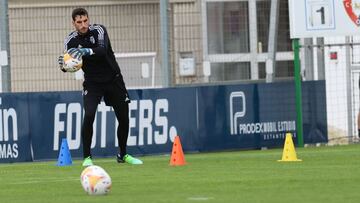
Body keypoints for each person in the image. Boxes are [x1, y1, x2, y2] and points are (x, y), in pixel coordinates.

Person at [58, 8, 143, 166]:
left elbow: (102, 51)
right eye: (79, 22)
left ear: (88, 19)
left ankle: (123, 155)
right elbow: (68, 62)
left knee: (123, 118)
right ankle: (87, 158)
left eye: (85, 21)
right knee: (89, 115)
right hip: (92, 83)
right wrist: (63, 65)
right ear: (73, 23)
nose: (83, 25)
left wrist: (85, 51)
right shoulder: (70, 40)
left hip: (113, 79)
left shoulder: (99, 30)